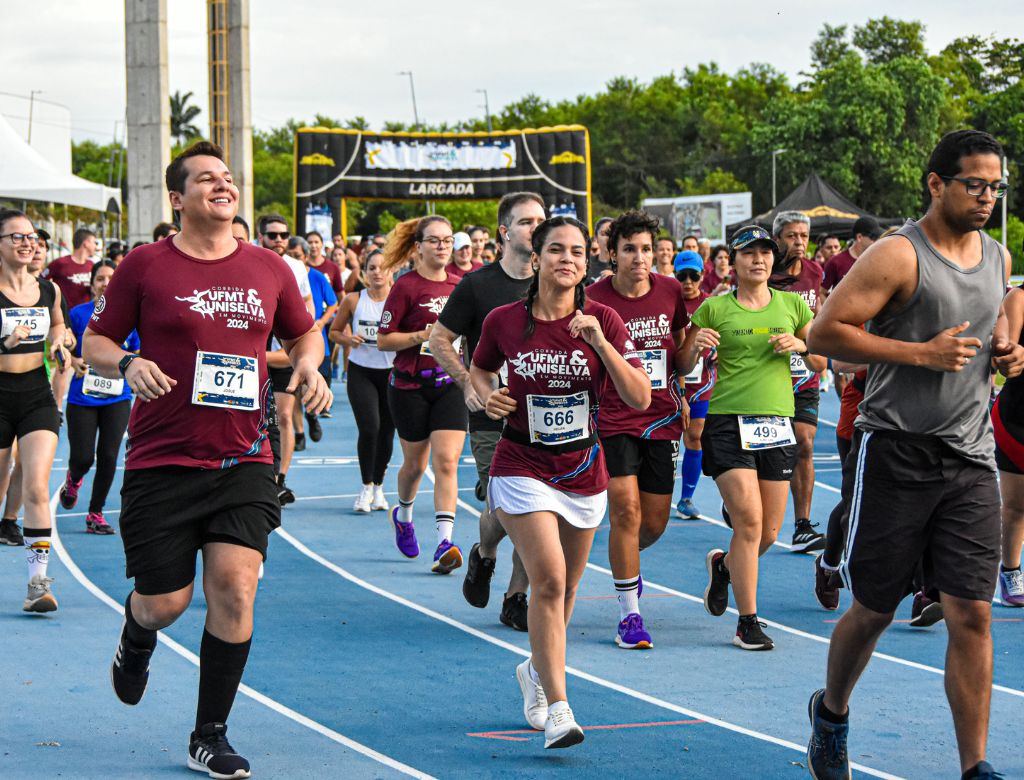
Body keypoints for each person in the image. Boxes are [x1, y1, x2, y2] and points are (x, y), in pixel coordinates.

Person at [84, 141, 330, 779]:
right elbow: (96, 339)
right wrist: (130, 362)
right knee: (166, 602)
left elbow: (303, 331)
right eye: (206, 180)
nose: (223, 186)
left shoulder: (268, 268)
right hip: (163, 459)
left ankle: (209, 733)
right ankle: (137, 633)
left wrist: (307, 365)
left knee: (235, 588)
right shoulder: (145, 265)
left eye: (228, 178)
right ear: (176, 198)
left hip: (244, 457)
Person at [804, 129, 1017, 780]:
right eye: (974, 184)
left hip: (970, 456)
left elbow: (993, 335)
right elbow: (826, 333)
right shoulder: (898, 256)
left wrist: (1008, 352)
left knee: (972, 612)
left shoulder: (999, 258)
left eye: (996, 187)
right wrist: (919, 354)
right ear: (937, 183)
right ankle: (832, 711)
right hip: (894, 449)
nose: (986, 197)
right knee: (874, 609)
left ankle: (974, 765)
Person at [470, 216, 650, 748]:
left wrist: (601, 344)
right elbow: (479, 371)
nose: (566, 259)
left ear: (587, 262)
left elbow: (640, 396)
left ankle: (535, 671)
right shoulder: (504, 321)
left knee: (567, 590)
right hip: (521, 463)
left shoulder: (605, 320)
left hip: (581, 469)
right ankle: (560, 709)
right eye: (555, 250)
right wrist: (487, 395)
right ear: (537, 258)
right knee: (547, 580)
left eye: (576, 251)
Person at [684, 225, 813, 651]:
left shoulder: (793, 305)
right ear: (733, 262)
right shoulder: (714, 308)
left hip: (776, 424)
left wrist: (800, 344)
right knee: (750, 522)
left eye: (765, 252)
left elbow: (823, 359)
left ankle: (724, 568)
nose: (758, 259)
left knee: (770, 533)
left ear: (773, 260)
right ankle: (748, 621)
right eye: (748, 253)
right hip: (727, 423)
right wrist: (695, 345)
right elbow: (683, 363)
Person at [430, 192, 547, 631]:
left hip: (547, 417)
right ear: (504, 231)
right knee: (509, 506)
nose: (535, 228)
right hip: (492, 418)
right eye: (525, 222)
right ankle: (484, 553)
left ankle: (516, 596)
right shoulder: (478, 286)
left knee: (535, 509)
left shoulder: (555, 280)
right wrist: (467, 385)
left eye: (541, 220)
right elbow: (440, 339)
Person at [587, 210, 689, 649]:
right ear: (612, 254)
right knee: (624, 511)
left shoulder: (670, 290)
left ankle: (628, 561)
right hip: (613, 417)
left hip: (662, 417)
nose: (640, 257)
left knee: (654, 523)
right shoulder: (592, 298)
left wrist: (695, 354)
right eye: (629, 249)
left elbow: (679, 356)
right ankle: (629, 613)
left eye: (646, 249)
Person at [376, 216, 467, 574]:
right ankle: (404, 512)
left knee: (446, 462)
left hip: (449, 385)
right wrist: (422, 336)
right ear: (419, 247)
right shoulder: (405, 287)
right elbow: (384, 340)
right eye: (434, 241)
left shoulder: (461, 287)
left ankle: (445, 541)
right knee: (414, 466)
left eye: (447, 240)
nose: (443, 247)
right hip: (410, 386)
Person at [0, 209, 69, 612]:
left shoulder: (49, 290)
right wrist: (6, 340)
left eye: (32, 237)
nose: (28, 243)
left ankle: (37, 586)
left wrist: (61, 341)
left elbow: (58, 325)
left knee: (37, 488)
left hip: (35, 395)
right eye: (17, 237)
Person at [59, 260, 138, 534]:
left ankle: (95, 513)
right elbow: (61, 344)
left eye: (111, 278)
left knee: (108, 455)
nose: (106, 283)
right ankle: (73, 479)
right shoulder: (78, 314)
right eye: (100, 278)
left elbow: (140, 352)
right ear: (92, 284)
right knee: (82, 457)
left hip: (117, 397)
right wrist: (71, 359)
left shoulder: (130, 316)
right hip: (83, 399)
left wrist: (122, 360)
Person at [769, 211, 828, 553]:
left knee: (803, 443)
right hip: (768, 371)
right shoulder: (764, 272)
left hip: (804, 370)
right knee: (771, 449)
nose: (800, 242)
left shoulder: (814, 272)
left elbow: (816, 312)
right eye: (792, 236)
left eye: (804, 236)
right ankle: (740, 496)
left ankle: (802, 525)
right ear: (778, 239)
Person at [330, 249, 395, 512]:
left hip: (392, 371)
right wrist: (349, 339)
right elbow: (334, 332)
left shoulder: (398, 300)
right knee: (370, 428)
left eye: (382, 267)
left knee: (387, 432)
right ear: (365, 273)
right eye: (372, 268)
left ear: (391, 271)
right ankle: (366, 486)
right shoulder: (354, 300)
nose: (377, 272)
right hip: (361, 370)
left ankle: (379, 487)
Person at [259, 214, 313, 502]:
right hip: (255, 349)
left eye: (284, 235)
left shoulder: (296, 267)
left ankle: (280, 479)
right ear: (261, 237)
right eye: (273, 235)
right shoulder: (250, 261)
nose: (279, 240)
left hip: (283, 351)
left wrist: (301, 337)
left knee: (282, 416)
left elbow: (308, 310)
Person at [673, 251, 716, 519]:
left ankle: (686, 497)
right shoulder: (667, 301)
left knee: (695, 437)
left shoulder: (711, 305)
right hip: (669, 383)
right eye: (682, 276)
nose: (688, 282)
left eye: (694, 276)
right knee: (666, 441)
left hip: (701, 384)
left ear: (702, 275)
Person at [286, 237, 337, 444]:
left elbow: (333, 304)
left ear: (305, 257)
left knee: (310, 386)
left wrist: (321, 321)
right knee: (293, 391)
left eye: (297, 256)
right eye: (289, 255)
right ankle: (299, 433)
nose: (292, 260)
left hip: (315, 340)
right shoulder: (280, 275)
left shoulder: (316, 277)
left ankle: (311, 417)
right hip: (289, 343)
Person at [994, 264, 1024, 607]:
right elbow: (1006, 355)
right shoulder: (1019, 298)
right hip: (1018, 418)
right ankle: (1011, 569)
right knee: (1016, 506)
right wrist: (1012, 355)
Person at [821, 217, 881, 296]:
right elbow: (821, 292)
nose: (877, 241)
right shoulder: (836, 262)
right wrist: (833, 308)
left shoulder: (876, 261)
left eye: (878, 238)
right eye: (873, 237)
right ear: (859, 237)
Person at [42, 227, 96, 308]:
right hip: (65, 315)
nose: (96, 246)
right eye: (94, 242)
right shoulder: (60, 263)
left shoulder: (92, 265)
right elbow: (41, 280)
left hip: (83, 317)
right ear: (86, 243)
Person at [585, 217, 613, 282]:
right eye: (603, 234)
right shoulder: (587, 263)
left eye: (612, 234)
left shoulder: (625, 264)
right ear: (596, 237)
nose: (608, 238)